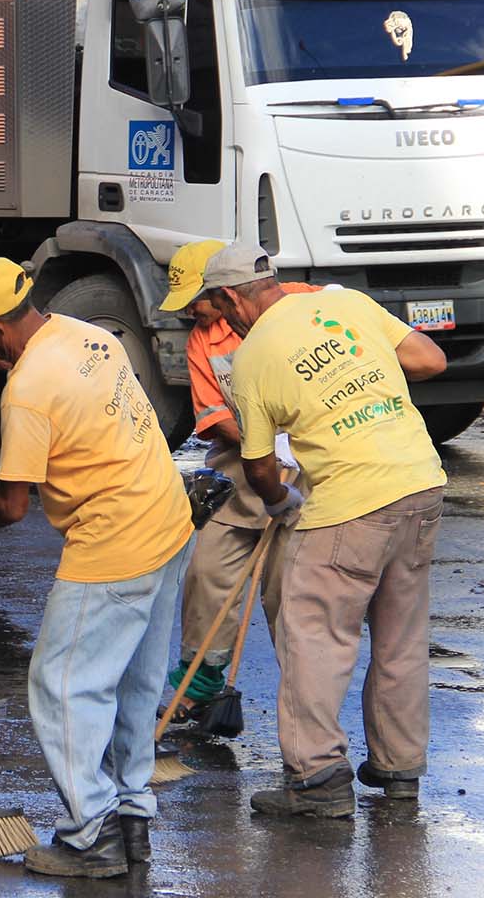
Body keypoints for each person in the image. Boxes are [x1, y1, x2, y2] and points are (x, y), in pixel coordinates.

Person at [0, 259, 194, 878]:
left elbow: (13, 505)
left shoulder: (25, 396)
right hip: (168, 519)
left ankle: (89, 835)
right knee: (134, 682)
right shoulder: (87, 336)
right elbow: (46, 371)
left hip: (114, 543)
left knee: (62, 684)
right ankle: (132, 818)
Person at [206, 241, 448, 818]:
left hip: (349, 502)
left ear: (230, 299)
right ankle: (398, 770)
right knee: (400, 637)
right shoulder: (348, 305)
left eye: (217, 308)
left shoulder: (252, 358)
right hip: (420, 481)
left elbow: (260, 464)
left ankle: (316, 782)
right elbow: (428, 360)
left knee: (313, 637)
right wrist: (363, 380)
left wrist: (277, 499)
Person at [157, 240, 319, 723]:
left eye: (197, 300)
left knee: (283, 591)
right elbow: (215, 417)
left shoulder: (298, 302)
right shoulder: (201, 341)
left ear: (225, 291)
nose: (190, 311)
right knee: (207, 572)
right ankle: (199, 685)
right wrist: (263, 448)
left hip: (306, 467)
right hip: (240, 464)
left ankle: (305, 702)